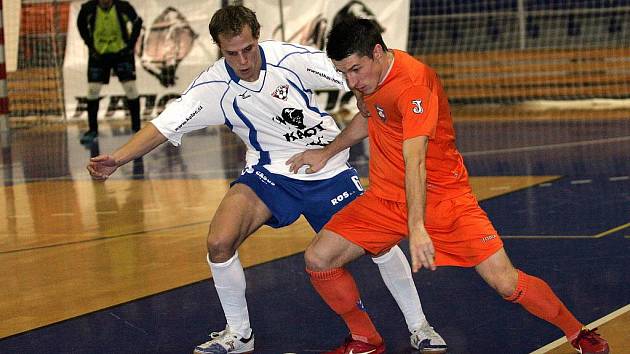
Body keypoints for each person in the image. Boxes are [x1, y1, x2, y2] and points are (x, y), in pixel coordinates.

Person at [87, 6, 446, 354]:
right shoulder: (212, 87)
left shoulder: (288, 59)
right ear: (219, 49)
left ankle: (420, 327)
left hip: (328, 167)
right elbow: (161, 127)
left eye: (248, 49)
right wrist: (117, 159)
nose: (243, 61)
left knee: (380, 244)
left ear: (258, 38)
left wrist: (362, 100)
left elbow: (353, 73)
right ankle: (239, 335)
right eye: (232, 54)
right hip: (269, 173)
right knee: (219, 241)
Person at [287, 18, 610, 354]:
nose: (351, 81)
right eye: (343, 73)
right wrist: (327, 152)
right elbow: (369, 116)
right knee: (319, 258)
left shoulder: (414, 84)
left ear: (378, 52)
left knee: (505, 282)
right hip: (385, 197)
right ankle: (365, 339)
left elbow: (416, 159)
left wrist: (417, 225)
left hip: (443, 199)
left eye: (355, 69)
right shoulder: (366, 81)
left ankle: (579, 334)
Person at [77, 0, 143, 144]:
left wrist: (130, 45)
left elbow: (137, 23)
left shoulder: (124, 7)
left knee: (131, 88)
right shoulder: (88, 9)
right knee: (93, 90)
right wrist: (89, 43)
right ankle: (92, 130)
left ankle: (137, 129)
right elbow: (81, 25)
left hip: (122, 54)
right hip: (98, 55)